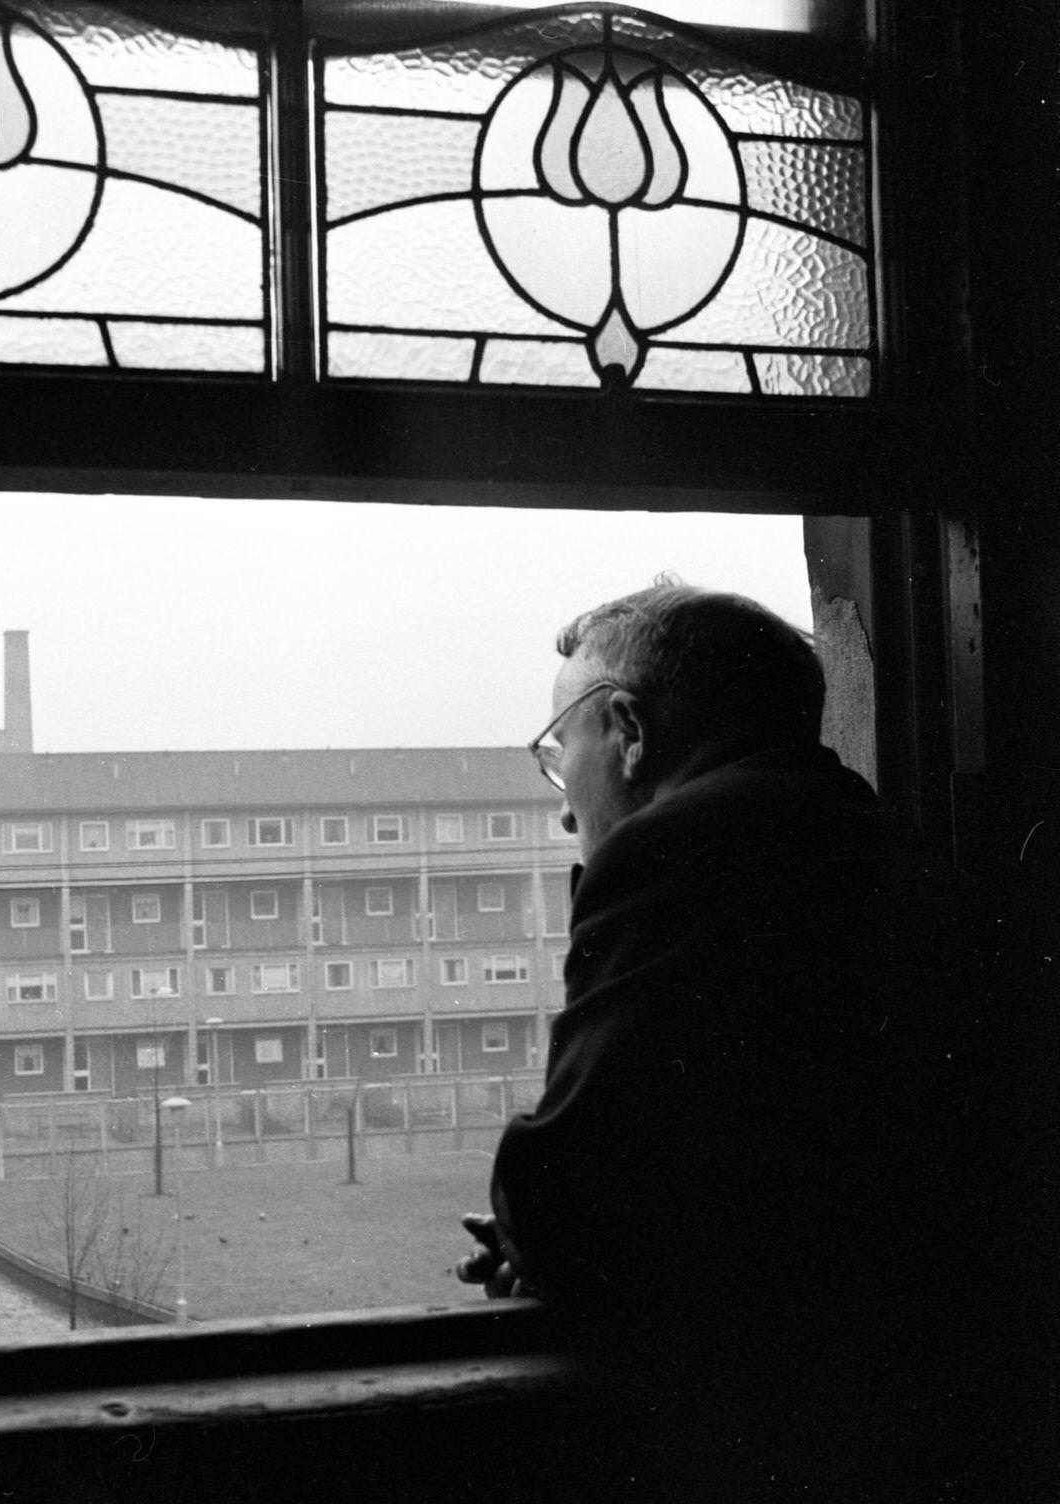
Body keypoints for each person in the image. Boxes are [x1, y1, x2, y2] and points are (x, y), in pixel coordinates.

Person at [459, 582, 966, 1496]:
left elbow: (571, 1203)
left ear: (629, 731)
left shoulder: (673, 856)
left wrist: (536, 1225)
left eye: (558, 756)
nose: (567, 812)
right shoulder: (886, 840)